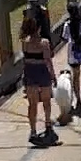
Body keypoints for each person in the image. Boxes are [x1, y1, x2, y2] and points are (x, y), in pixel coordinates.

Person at [18, 16, 56, 144]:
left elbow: (24, 60)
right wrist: (53, 76)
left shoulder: (25, 43)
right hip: (42, 72)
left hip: (30, 73)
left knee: (32, 104)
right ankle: (48, 124)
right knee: (46, 101)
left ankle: (33, 131)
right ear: (39, 29)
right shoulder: (44, 43)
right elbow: (48, 61)